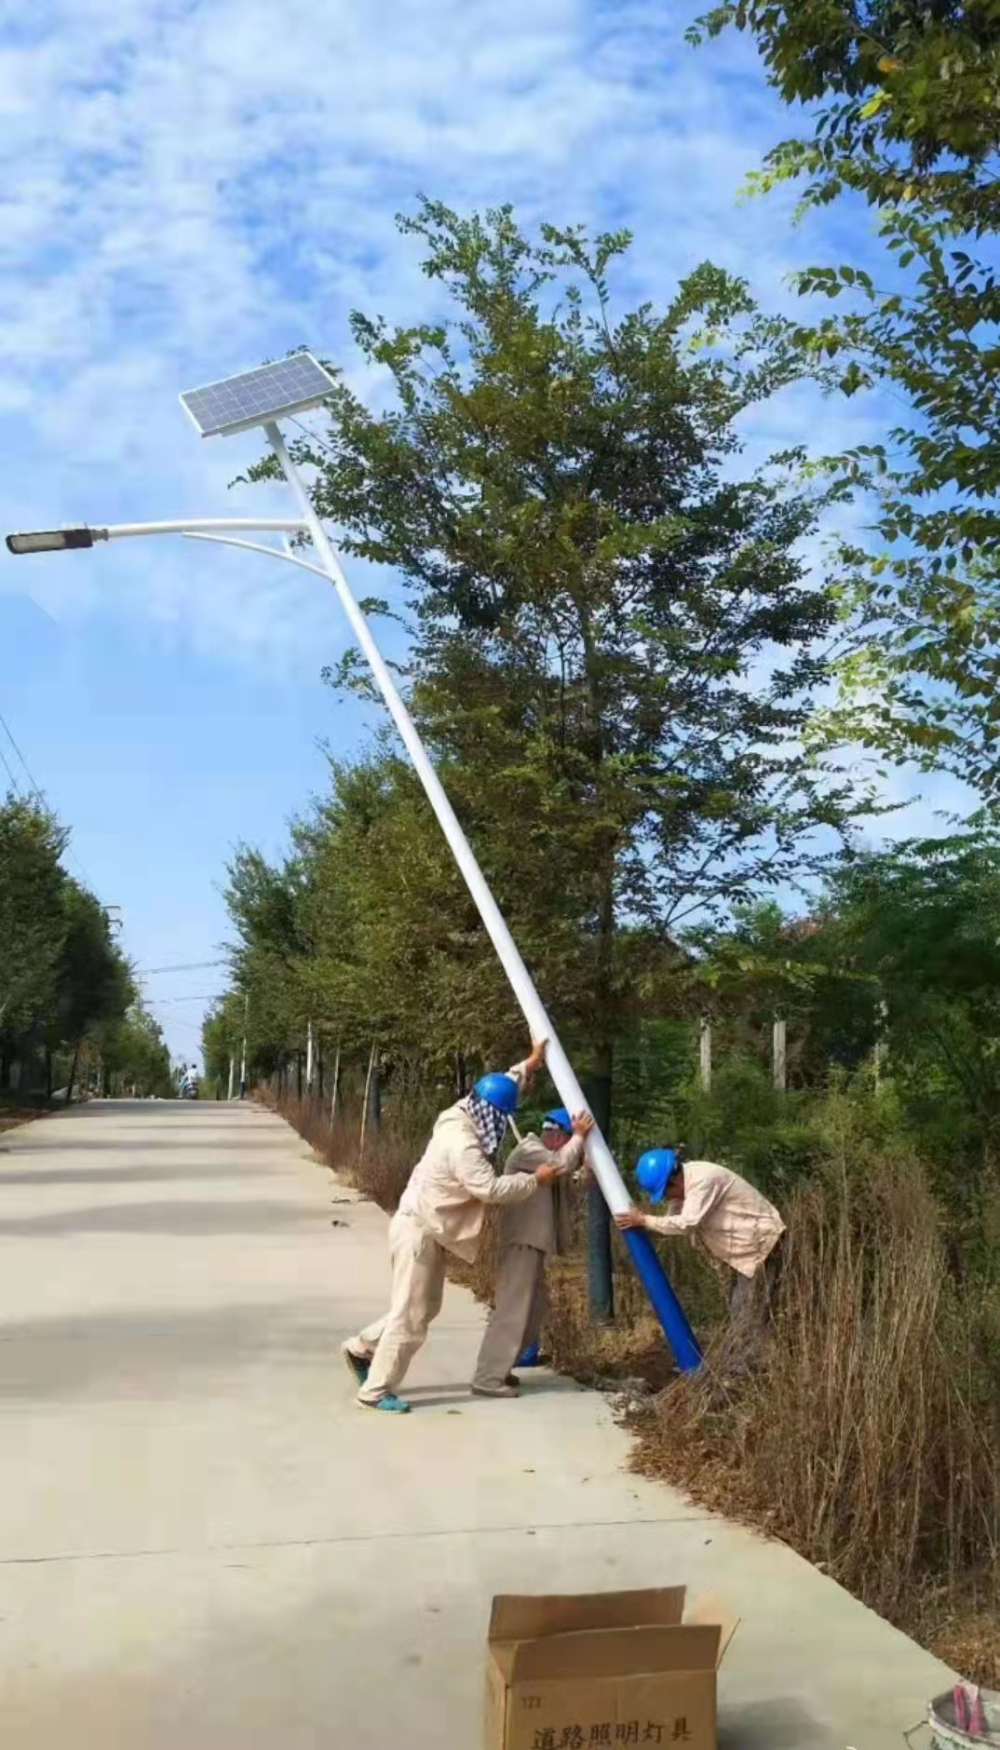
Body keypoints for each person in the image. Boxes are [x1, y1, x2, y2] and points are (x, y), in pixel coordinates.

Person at [343, 1038, 560, 1414]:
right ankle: (375, 1390)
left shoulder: (461, 1110)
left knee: (424, 1307)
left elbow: (502, 1084)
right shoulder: (463, 1144)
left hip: (425, 1226)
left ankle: (362, 1347)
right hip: (420, 1231)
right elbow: (490, 1189)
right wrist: (536, 1180)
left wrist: (530, 1062)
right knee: (411, 1315)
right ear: (492, 1113)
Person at [472, 1106, 594, 1399]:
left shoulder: (549, 1158)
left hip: (535, 1243)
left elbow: (569, 1182)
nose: (569, 1147)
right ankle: (487, 1378)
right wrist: (579, 1137)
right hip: (521, 1242)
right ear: (555, 1135)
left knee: (532, 1313)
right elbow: (561, 1165)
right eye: (567, 1139)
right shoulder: (530, 1150)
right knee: (512, 1312)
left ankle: (502, 1369)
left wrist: (587, 1170)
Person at [615, 1148, 785, 1351]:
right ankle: (750, 1364)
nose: (668, 1199)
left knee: (747, 1312)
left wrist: (644, 1220)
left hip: (762, 1246)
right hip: (748, 1251)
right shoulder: (685, 1186)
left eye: (665, 1193)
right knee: (745, 1310)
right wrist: (644, 1225)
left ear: (673, 1182)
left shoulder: (703, 1181)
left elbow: (686, 1224)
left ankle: (746, 1371)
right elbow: (671, 1223)